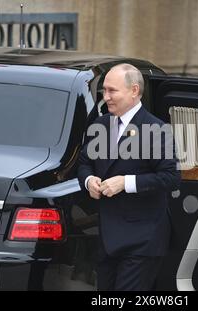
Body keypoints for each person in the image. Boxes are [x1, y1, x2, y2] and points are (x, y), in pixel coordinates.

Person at [77, 63, 181, 291]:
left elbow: (170, 177)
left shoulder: (156, 128)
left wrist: (126, 183)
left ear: (134, 91)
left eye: (112, 91)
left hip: (143, 239)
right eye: (104, 91)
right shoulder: (100, 125)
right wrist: (88, 181)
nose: (106, 97)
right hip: (107, 236)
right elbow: (84, 163)